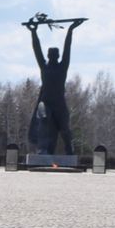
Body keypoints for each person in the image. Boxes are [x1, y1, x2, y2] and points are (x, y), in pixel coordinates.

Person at [27, 19, 79, 154]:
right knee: (44, 124)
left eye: (55, 55)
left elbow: (68, 48)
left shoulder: (62, 67)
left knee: (64, 129)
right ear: (49, 55)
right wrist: (33, 32)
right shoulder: (44, 67)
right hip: (46, 102)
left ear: (58, 56)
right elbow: (36, 50)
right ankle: (43, 149)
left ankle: (69, 150)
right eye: (51, 55)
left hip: (59, 103)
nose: (53, 56)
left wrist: (70, 31)